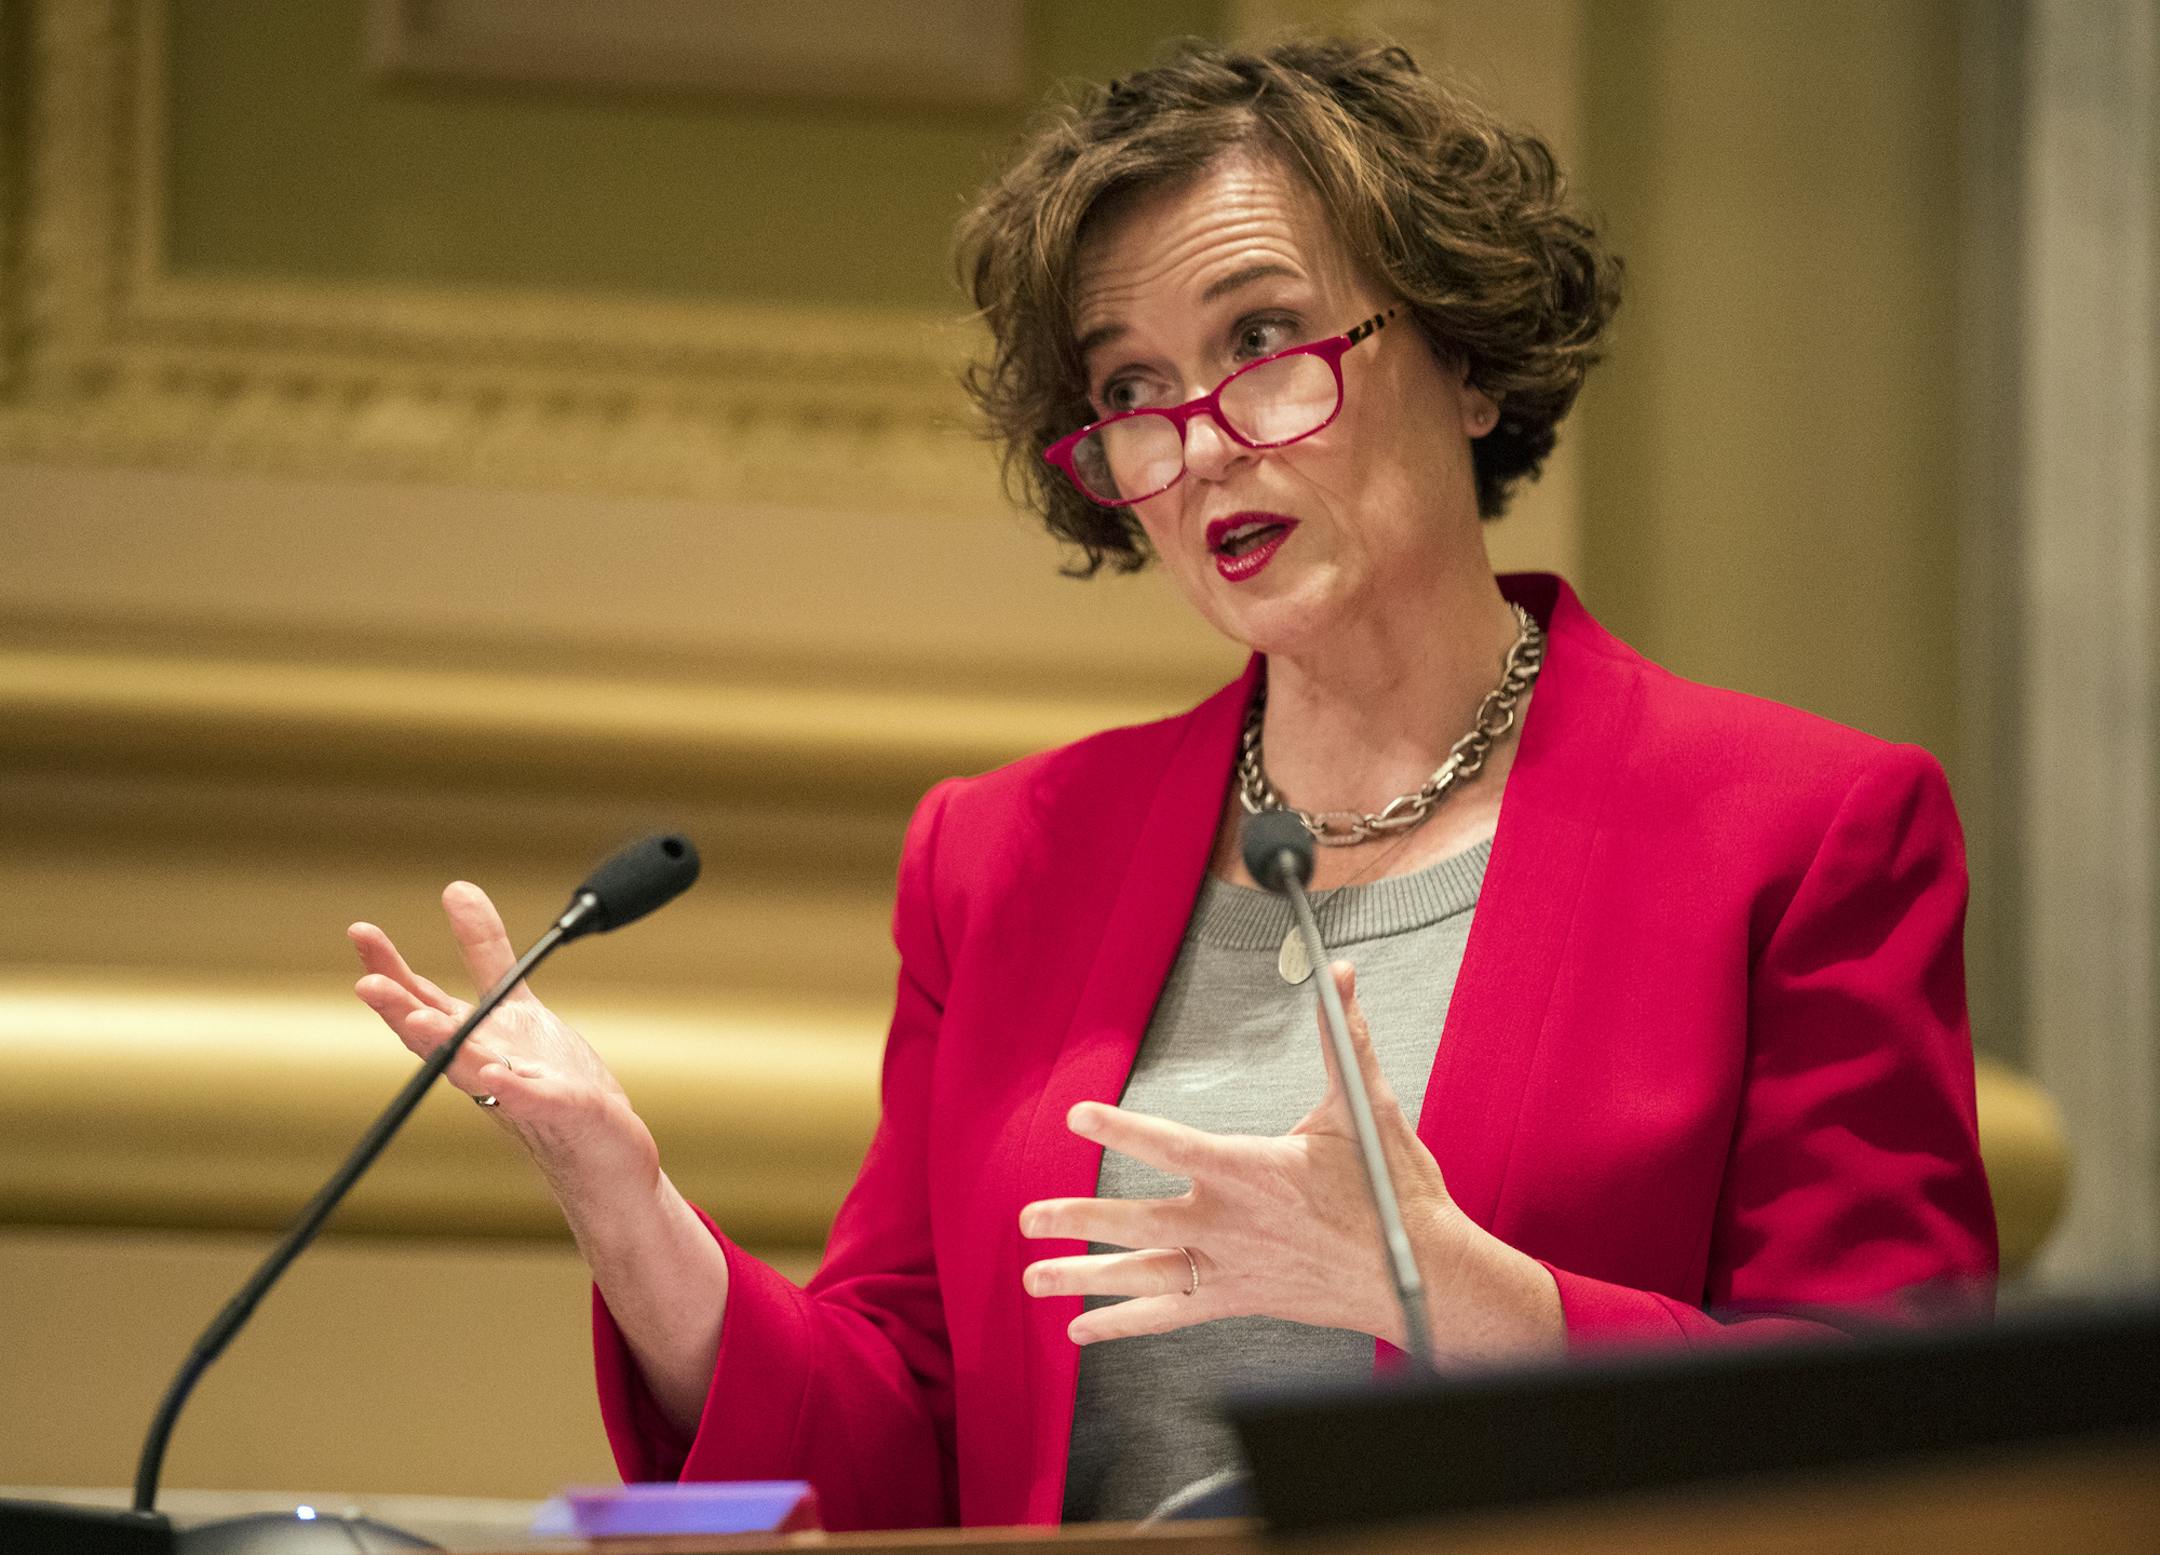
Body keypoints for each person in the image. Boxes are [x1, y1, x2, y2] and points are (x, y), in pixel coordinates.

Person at [347, 38, 1996, 1531]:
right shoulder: (1005, 857)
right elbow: (908, 1442)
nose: (1198, 440)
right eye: (1130, 389)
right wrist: (633, 1212)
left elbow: (1888, 1453)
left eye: (1264, 342)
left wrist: (1467, 1295)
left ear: (1470, 356)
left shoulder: (1796, 833)